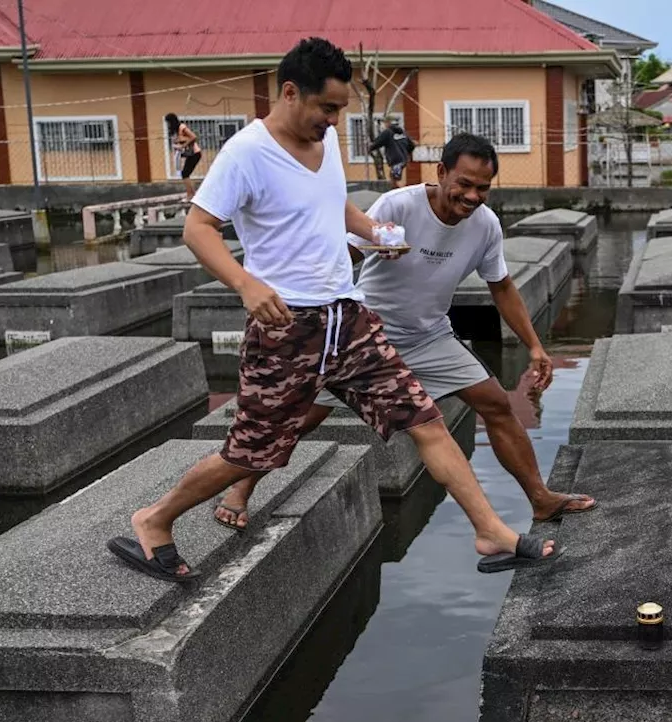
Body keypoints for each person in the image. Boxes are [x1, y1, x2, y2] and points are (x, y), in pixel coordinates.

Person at [107, 38, 555, 583]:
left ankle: (490, 532)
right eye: (327, 108)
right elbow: (197, 228)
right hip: (285, 327)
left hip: (350, 319)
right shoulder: (248, 153)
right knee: (253, 454)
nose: (334, 119)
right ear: (291, 92)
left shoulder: (326, 143)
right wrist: (246, 284)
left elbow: (334, 204)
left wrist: (373, 231)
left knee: (427, 421)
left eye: (339, 109)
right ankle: (154, 519)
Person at [215, 132, 596, 532]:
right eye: (463, 184)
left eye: (482, 188)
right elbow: (344, 253)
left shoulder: (486, 226)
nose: (471, 196)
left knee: (496, 403)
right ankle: (240, 488)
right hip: (364, 336)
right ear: (442, 172)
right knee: (298, 416)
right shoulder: (399, 204)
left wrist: (535, 346)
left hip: (430, 337)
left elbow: (501, 286)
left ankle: (540, 499)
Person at [165, 112, 202, 200]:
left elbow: (193, 137)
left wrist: (183, 145)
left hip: (195, 153)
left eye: (169, 122)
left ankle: (190, 195)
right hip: (189, 154)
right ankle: (192, 193)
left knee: (185, 173)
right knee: (185, 173)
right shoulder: (175, 132)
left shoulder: (182, 127)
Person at [369, 120, 415, 188]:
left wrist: (370, 148)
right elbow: (412, 145)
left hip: (395, 159)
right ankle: (397, 192)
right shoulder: (403, 133)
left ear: (388, 124)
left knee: (395, 179)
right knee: (394, 177)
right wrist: (406, 154)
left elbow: (378, 142)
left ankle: (400, 194)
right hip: (403, 160)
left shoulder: (387, 132)